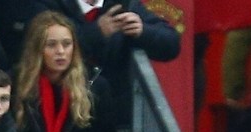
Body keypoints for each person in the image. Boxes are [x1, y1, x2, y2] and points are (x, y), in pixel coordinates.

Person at [14, 11, 130, 132]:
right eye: (51, 45)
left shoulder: (95, 85)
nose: (60, 52)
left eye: (67, 44)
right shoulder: (17, 85)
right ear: (37, 49)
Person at [35, 0, 181, 125]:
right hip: (60, 105)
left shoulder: (122, 4)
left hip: (113, 112)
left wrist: (143, 31)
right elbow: (37, 47)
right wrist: (97, 32)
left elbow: (171, 44)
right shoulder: (50, 4)